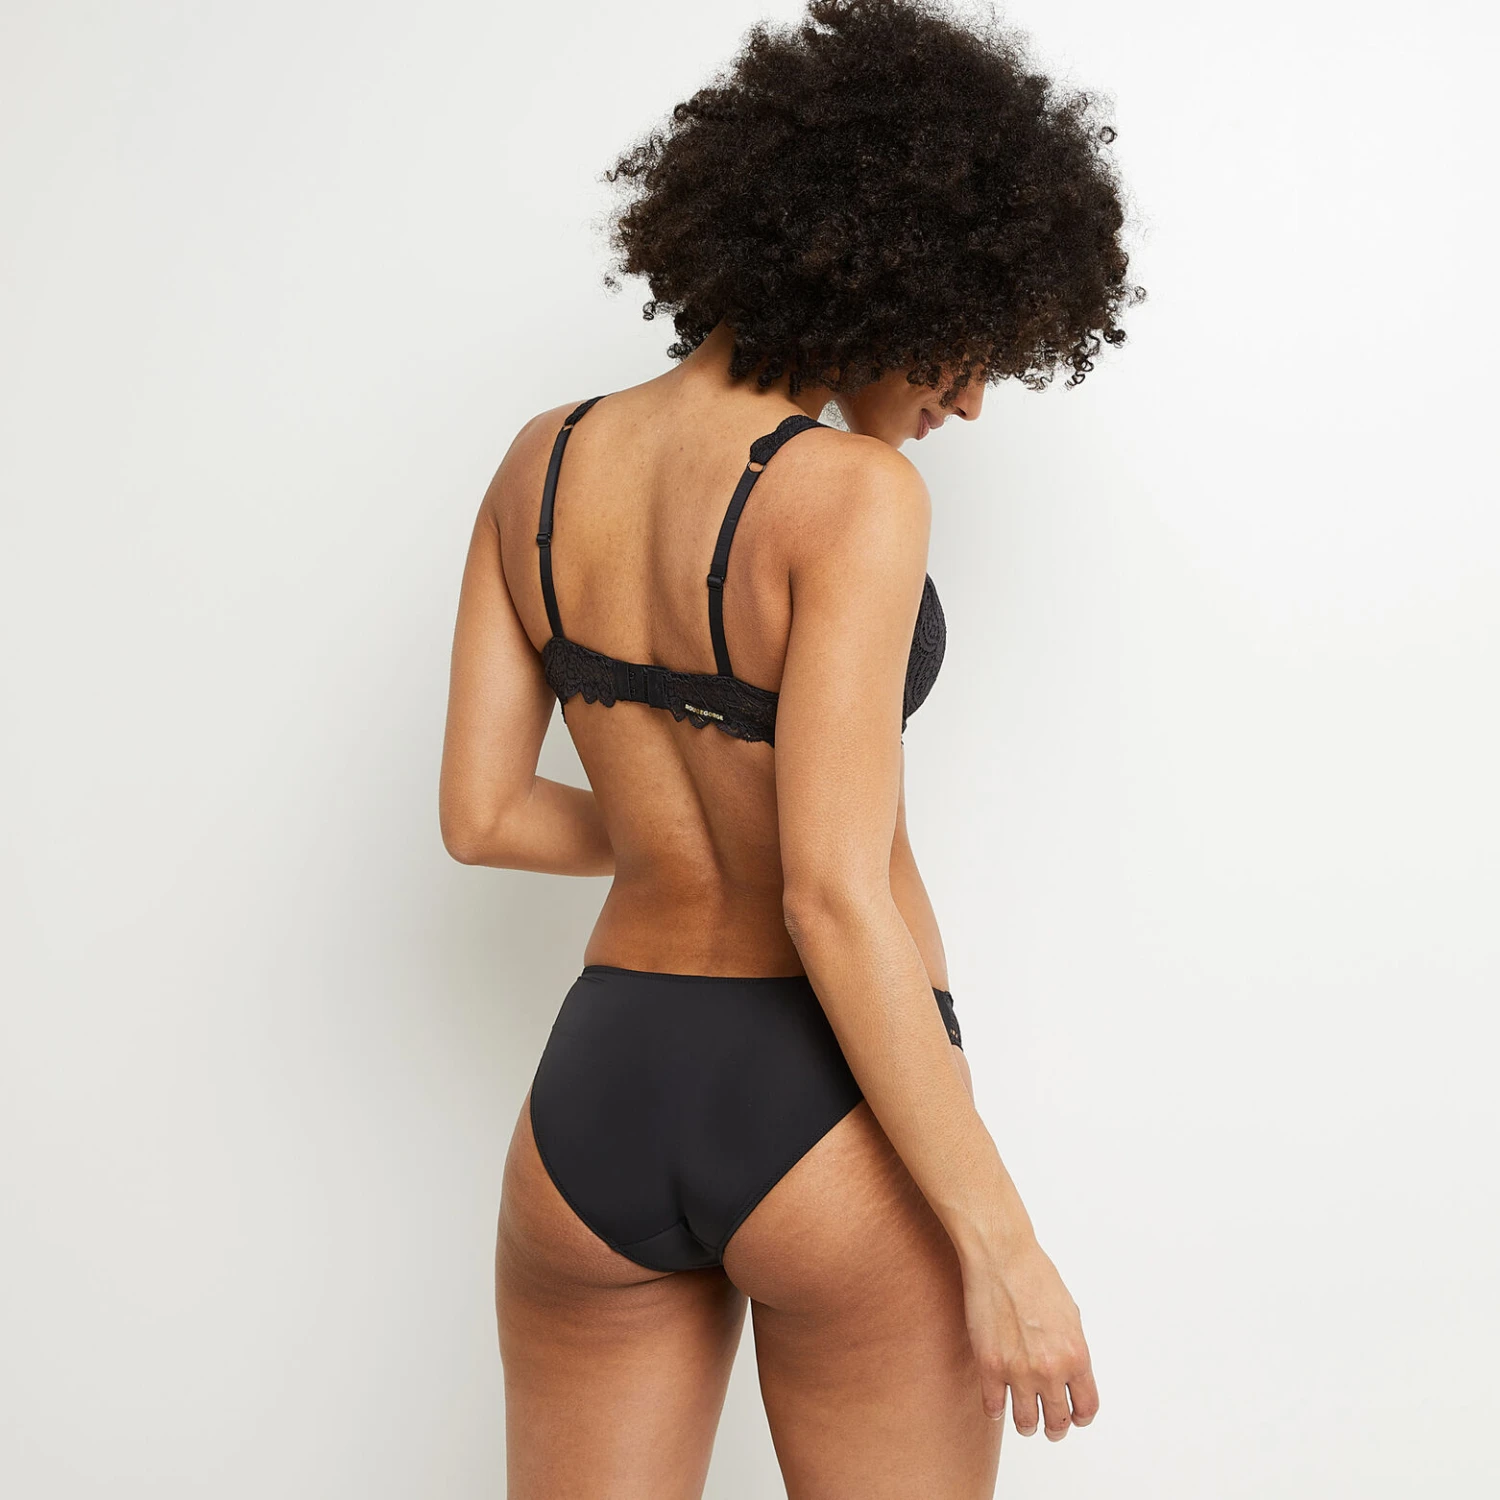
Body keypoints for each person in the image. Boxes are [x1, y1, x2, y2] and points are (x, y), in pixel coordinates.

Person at [439, 2, 1143, 1494]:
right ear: (889, 266)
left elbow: (483, 815)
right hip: (824, 1103)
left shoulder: (537, 462)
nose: (968, 399)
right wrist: (1006, 1247)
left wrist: (667, 826)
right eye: (970, 347)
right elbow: (830, 895)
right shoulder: (853, 496)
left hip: (594, 1104)